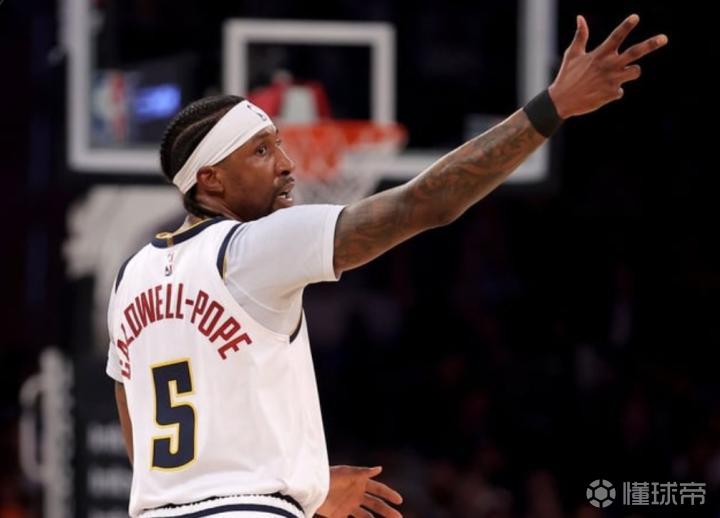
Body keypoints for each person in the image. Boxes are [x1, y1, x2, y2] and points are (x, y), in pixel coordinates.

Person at [106, 13, 667, 518]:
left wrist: (293, 482)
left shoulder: (131, 277)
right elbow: (423, 204)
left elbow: (142, 434)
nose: (287, 163)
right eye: (261, 151)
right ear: (210, 180)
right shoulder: (254, 247)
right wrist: (553, 107)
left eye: (278, 144)